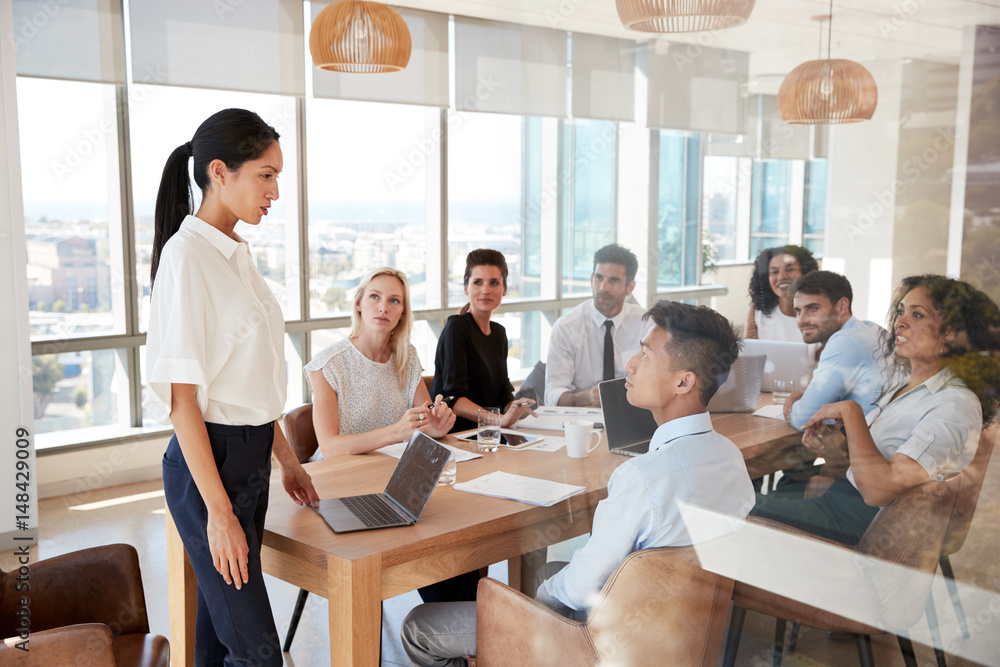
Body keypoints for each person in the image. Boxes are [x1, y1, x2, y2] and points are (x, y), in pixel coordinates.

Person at [400, 301, 756, 666]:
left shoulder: (643, 478)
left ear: (684, 381)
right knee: (548, 574)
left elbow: (579, 588)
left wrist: (528, 607)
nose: (630, 365)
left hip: (596, 644)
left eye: (646, 356)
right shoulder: (732, 461)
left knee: (418, 625)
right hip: (678, 637)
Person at [145, 109, 319, 666]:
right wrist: (218, 513)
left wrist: (287, 460)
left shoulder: (235, 253)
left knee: (219, 638)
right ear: (219, 172)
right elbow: (182, 403)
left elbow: (249, 380)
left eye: (278, 177)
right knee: (258, 650)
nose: (274, 191)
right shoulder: (187, 257)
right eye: (265, 175)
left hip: (248, 458)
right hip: (208, 469)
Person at [752, 275, 1000, 545]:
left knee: (732, 508)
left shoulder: (953, 404)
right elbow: (856, 476)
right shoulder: (903, 387)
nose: (900, 322)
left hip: (857, 527)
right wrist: (830, 450)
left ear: (950, 332)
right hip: (838, 507)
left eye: (917, 315)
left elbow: (877, 492)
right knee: (735, 501)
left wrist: (852, 412)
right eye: (901, 311)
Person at [304, 267, 455, 458]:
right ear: (359, 303)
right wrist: (396, 432)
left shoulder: (407, 356)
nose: (383, 308)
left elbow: (423, 426)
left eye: (394, 300)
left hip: (390, 469)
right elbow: (329, 448)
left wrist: (437, 427)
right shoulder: (327, 364)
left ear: (401, 313)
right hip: (339, 475)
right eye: (374, 297)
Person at [431, 249, 537, 434]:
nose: (486, 290)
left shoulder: (499, 333)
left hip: (491, 434)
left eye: (494, 283)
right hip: (459, 435)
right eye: (478, 282)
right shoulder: (456, 327)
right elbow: (455, 401)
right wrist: (498, 420)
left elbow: (503, 396)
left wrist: (515, 408)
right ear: (466, 288)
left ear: (504, 290)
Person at [544, 244, 647, 407]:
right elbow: (552, 395)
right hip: (584, 420)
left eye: (613, 280)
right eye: (599, 278)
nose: (603, 288)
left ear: (630, 288)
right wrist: (586, 397)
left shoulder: (646, 324)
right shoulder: (566, 327)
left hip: (635, 412)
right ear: (592, 279)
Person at [783, 271, 886, 430]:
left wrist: (795, 405)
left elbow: (804, 418)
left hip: (876, 448)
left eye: (812, 308)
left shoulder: (846, 340)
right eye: (798, 311)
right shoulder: (869, 328)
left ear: (841, 306)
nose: (801, 320)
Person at [745, 245, 819, 341]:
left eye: (790, 270)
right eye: (774, 272)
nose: (782, 277)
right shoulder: (757, 311)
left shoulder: (821, 312)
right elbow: (750, 352)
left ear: (805, 273)